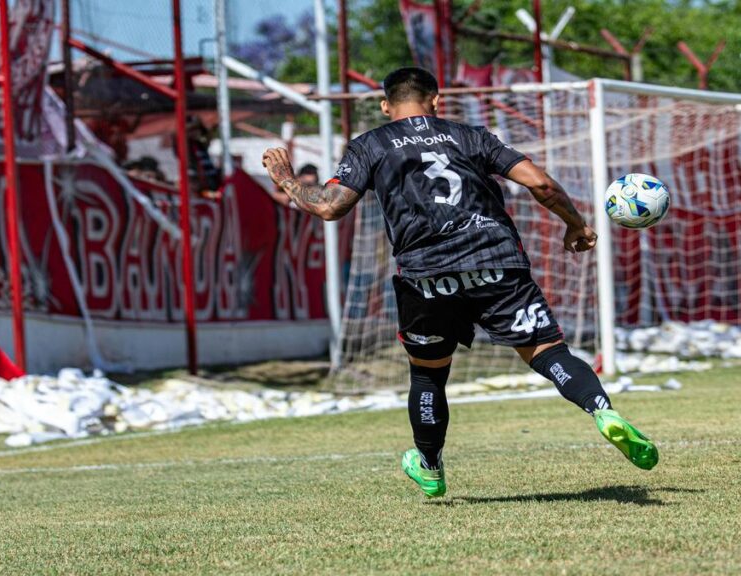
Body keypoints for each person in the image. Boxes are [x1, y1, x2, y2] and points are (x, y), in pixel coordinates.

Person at [261, 67, 658, 498]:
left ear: (384, 105)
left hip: (426, 275)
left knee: (429, 376)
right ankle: (601, 410)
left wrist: (285, 180)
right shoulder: (471, 136)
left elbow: (330, 207)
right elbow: (540, 184)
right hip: (497, 262)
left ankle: (430, 466)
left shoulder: (370, 144)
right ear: (436, 100)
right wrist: (575, 224)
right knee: (547, 351)